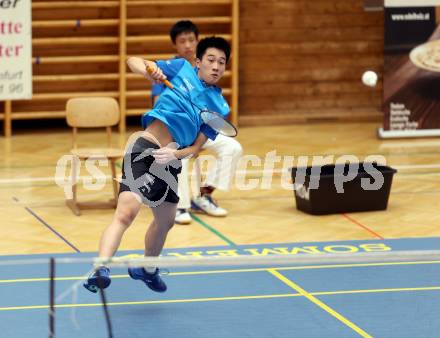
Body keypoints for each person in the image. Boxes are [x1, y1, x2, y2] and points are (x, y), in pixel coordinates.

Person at [83, 36, 232, 294]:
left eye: (222, 62)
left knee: (166, 222)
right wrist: (149, 69)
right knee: (126, 213)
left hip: (170, 160)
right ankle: (100, 267)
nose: (216, 66)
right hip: (145, 147)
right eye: (210, 60)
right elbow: (133, 61)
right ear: (198, 62)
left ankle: (147, 270)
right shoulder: (180, 69)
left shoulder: (219, 106)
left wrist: (176, 156)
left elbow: (195, 148)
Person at [152, 20, 242, 225]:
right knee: (178, 158)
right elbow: (159, 106)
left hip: (198, 132)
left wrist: (196, 145)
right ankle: (179, 206)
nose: (187, 45)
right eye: (182, 41)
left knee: (233, 148)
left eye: (191, 40)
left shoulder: (210, 76)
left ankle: (203, 195)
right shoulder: (171, 70)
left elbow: (210, 120)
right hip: (174, 132)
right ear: (175, 45)